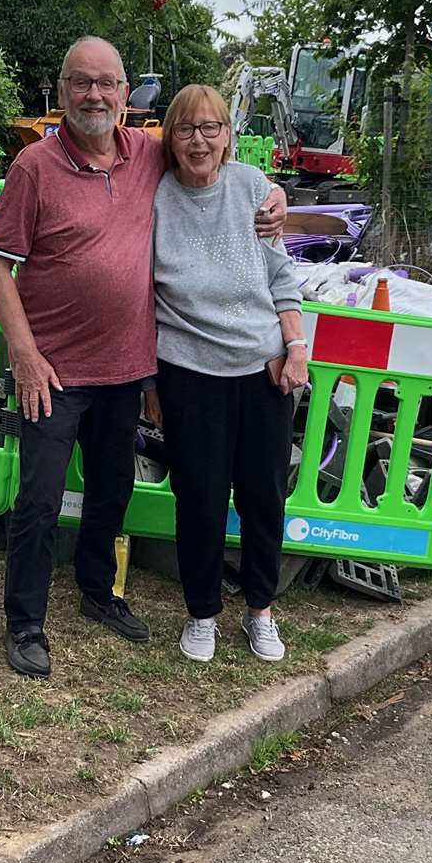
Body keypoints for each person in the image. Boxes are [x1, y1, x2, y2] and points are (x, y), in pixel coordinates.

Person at [0, 37, 287, 679]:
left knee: (112, 489)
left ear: (125, 95)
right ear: (61, 90)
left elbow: (212, 159)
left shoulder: (146, 154)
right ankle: (25, 623)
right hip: (56, 372)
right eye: (81, 83)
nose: (95, 95)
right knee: (39, 498)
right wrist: (25, 355)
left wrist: (275, 192)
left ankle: (97, 592)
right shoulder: (33, 167)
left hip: (124, 372)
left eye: (107, 84)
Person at [142, 84, 308, 664]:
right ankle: (201, 613)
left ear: (227, 135)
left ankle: (260, 610)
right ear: (170, 137)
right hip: (189, 373)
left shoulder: (254, 190)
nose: (199, 141)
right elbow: (143, 296)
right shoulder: (156, 198)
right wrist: (150, 382)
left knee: (264, 497)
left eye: (211, 128)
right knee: (201, 499)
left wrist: (297, 345)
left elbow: (282, 277)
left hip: (263, 372)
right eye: (186, 129)